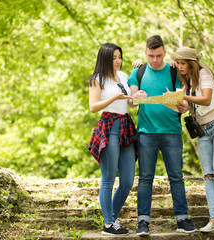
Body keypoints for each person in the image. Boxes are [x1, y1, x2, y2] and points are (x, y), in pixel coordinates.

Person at [128, 35, 198, 236]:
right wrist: (135, 97)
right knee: (145, 178)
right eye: (151, 56)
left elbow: (182, 103)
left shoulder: (175, 70)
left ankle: (182, 219)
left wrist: (183, 106)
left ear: (165, 53)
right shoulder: (138, 71)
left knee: (176, 176)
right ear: (145, 53)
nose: (155, 60)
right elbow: (132, 102)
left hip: (171, 132)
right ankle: (143, 222)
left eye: (159, 56)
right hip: (146, 134)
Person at [170, 46, 214, 232]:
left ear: (192, 63)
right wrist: (175, 101)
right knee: (208, 175)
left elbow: (206, 99)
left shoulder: (204, 74)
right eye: (178, 63)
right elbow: (185, 105)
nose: (180, 66)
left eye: (183, 63)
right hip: (203, 132)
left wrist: (181, 96)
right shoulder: (186, 83)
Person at [88, 43, 138, 236]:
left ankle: (111, 221)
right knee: (108, 178)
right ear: (105, 59)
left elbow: (131, 104)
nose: (118, 61)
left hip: (126, 126)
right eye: (114, 58)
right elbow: (93, 107)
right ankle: (108, 223)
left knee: (127, 180)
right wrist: (115, 97)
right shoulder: (97, 79)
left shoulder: (124, 76)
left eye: (120, 57)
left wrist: (135, 96)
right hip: (109, 126)